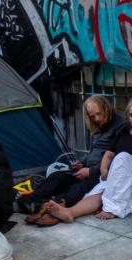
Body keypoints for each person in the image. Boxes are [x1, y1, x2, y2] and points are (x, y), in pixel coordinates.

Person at [43, 93, 132, 222]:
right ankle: (70, 212)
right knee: (102, 189)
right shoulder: (124, 131)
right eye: (131, 115)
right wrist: (104, 169)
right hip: (126, 181)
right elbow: (109, 153)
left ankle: (113, 209)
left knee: (123, 158)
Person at [24, 95, 126, 226]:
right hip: (87, 169)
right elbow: (93, 153)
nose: (97, 119)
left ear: (106, 108)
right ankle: (32, 202)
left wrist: (91, 171)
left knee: (79, 187)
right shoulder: (98, 128)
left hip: (102, 174)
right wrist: (82, 163)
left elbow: (118, 159)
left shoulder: (121, 127)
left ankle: (56, 209)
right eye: (92, 116)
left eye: (98, 114)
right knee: (57, 177)